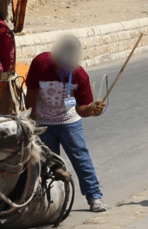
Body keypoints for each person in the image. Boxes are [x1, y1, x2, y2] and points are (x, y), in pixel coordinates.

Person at [25, 35, 109, 212]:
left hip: (69, 122)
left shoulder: (79, 75)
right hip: (43, 123)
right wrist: (31, 124)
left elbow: (81, 109)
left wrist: (92, 110)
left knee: (81, 159)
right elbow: (31, 95)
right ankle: (49, 202)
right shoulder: (40, 63)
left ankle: (94, 197)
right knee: (46, 164)